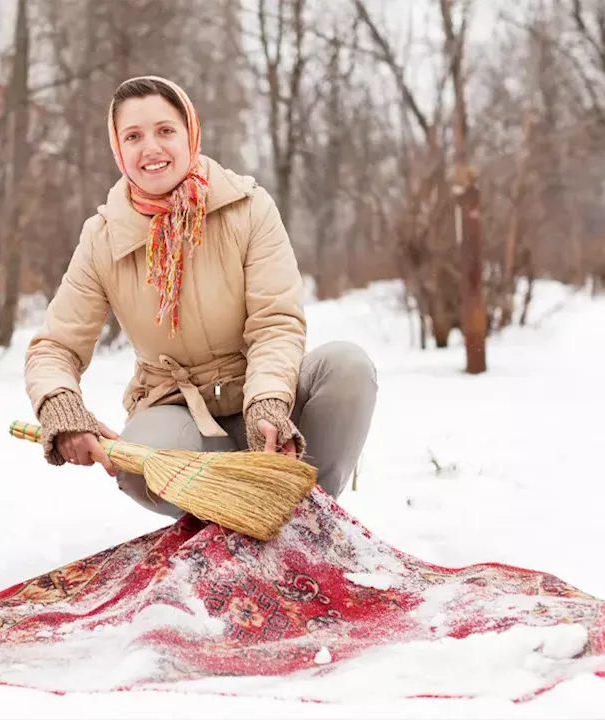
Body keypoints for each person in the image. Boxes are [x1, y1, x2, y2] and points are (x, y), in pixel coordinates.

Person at [23, 75, 379, 518]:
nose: (151, 148)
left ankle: (308, 517)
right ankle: (232, 521)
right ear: (118, 148)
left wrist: (268, 402)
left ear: (190, 133)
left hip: (265, 400)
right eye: (133, 136)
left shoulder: (248, 208)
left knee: (348, 366)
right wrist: (61, 406)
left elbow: (276, 323)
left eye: (165, 131)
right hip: (179, 413)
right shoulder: (103, 238)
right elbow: (55, 346)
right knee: (138, 463)